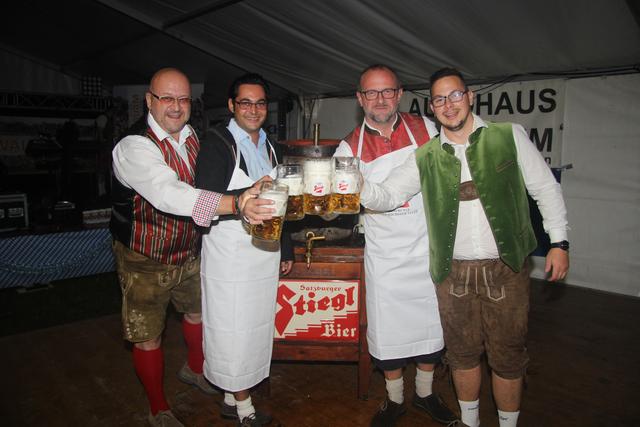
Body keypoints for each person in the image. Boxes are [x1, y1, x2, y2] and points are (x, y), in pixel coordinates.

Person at [360, 67, 570, 427]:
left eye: (455, 95)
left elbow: (545, 189)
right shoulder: (425, 155)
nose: (449, 104)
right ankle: (470, 422)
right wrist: (353, 182)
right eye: (439, 99)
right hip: (453, 273)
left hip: (506, 270)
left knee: (507, 358)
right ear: (432, 107)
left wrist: (559, 242)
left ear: (470, 96)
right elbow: (389, 195)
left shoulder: (509, 137)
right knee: (461, 356)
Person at [111, 67, 268, 427]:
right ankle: (158, 408)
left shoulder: (193, 136)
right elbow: (169, 194)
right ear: (149, 100)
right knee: (149, 335)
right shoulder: (133, 146)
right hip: (144, 256)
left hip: (190, 249)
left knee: (199, 314)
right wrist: (235, 204)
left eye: (183, 99)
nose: (176, 107)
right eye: (167, 98)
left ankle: (195, 369)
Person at [333, 64, 457, 427]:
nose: (380, 99)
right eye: (371, 93)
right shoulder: (348, 147)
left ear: (400, 94)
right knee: (389, 333)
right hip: (385, 255)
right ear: (360, 99)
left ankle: (425, 393)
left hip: (426, 248)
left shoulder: (428, 130)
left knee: (429, 328)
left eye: (387, 91)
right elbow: (346, 200)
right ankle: (395, 399)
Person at [195, 73, 293, 427]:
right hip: (230, 253)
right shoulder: (217, 142)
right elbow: (204, 199)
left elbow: (281, 203)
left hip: (263, 252)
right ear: (233, 105)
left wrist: (286, 249)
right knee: (231, 328)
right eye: (246, 102)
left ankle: (229, 396)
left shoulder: (271, 146)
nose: (254, 109)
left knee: (254, 326)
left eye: (261, 102)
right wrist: (245, 194)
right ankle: (244, 411)